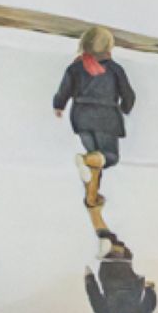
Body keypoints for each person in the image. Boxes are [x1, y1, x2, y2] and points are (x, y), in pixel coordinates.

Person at [52, 25, 138, 209]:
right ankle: (85, 161)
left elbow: (64, 90)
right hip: (107, 119)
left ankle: (92, 196)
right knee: (110, 157)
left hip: (81, 119)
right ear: (108, 46)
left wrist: (59, 105)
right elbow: (128, 95)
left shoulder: (75, 67)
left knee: (96, 158)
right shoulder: (115, 69)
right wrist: (125, 108)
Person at [86, 232, 158, 313]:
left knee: (112, 249)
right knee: (120, 251)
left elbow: (96, 301)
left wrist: (89, 279)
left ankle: (109, 243)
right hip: (129, 279)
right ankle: (113, 243)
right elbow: (149, 306)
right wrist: (150, 290)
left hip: (109, 276)